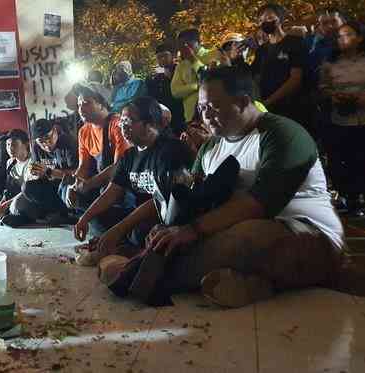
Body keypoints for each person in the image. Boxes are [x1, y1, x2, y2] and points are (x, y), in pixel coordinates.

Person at [143, 66, 344, 308]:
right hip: (233, 229)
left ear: (243, 101)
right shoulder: (210, 147)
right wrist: (168, 228)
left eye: (212, 106)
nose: (205, 116)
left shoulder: (281, 134)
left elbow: (258, 205)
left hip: (309, 236)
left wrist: (192, 230)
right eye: (201, 108)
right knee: (172, 235)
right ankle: (253, 285)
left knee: (248, 235)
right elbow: (193, 198)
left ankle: (146, 274)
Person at [74, 96, 194, 265]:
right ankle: (124, 246)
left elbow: (162, 202)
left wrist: (119, 229)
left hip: (165, 217)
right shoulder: (129, 156)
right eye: (121, 122)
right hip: (137, 215)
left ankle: (127, 250)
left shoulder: (170, 151)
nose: (123, 127)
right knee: (97, 219)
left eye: (128, 121)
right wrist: (85, 218)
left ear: (150, 123)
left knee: (139, 231)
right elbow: (112, 192)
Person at [62, 83, 132, 234]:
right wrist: (75, 186)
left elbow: (118, 168)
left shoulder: (117, 125)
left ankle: (106, 227)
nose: (80, 109)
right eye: (79, 104)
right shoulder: (84, 131)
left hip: (121, 188)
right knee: (65, 189)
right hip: (100, 186)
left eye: (86, 103)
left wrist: (88, 185)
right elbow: (83, 167)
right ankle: (99, 222)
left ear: (101, 103)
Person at [319, 21, 365, 216]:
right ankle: (349, 198)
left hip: (363, 117)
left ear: (360, 37)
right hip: (339, 118)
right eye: (340, 36)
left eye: (348, 35)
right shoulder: (330, 63)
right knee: (342, 158)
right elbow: (323, 87)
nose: (343, 39)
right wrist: (333, 96)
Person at [251, 4, 312, 136]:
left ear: (280, 19)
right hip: (267, 111)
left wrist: (268, 101)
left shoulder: (295, 43)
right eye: (260, 20)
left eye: (269, 17)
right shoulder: (262, 51)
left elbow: (296, 79)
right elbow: (255, 77)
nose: (264, 22)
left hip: (293, 108)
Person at [21, 118, 78, 223]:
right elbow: (37, 171)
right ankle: (57, 213)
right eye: (41, 141)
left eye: (48, 137)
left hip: (68, 185)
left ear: (55, 131)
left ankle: (71, 214)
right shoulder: (36, 148)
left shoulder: (68, 142)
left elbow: (76, 173)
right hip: (51, 185)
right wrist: (34, 173)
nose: (46, 143)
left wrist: (49, 172)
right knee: (27, 187)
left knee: (68, 185)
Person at [0, 129, 35, 227]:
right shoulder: (10, 162)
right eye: (7, 145)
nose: (10, 148)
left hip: (26, 198)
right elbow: (8, 189)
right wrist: (1, 204)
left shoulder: (31, 162)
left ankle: (2, 217)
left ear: (26, 144)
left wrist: (5, 205)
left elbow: (28, 191)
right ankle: (4, 218)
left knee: (15, 205)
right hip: (13, 197)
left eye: (14, 145)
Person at [171, 28, 221, 124]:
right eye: (180, 46)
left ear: (198, 42)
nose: (183, 48)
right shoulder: (181, 66)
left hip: (214, 115)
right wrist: (197, 86)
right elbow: (175, 91)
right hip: (191, 118)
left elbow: (211, 80)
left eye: (186, 44)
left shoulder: (214, 55)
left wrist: (193, 59)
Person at [147, 43, 185, 135]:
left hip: (183, 115)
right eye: (159, 57)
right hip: (166, 120)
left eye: (165, 55)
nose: (162, 59)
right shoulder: (157, 79)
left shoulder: (182, 71)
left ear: (172, 55)